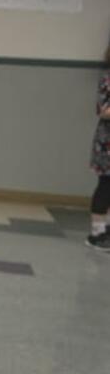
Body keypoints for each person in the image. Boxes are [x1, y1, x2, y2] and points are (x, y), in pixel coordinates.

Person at [85, 42, 110, 252]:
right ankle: (97, 233)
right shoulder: (107, 79)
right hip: (107, 142)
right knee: (106, 184)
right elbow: (103, 110)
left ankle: (107, 228)